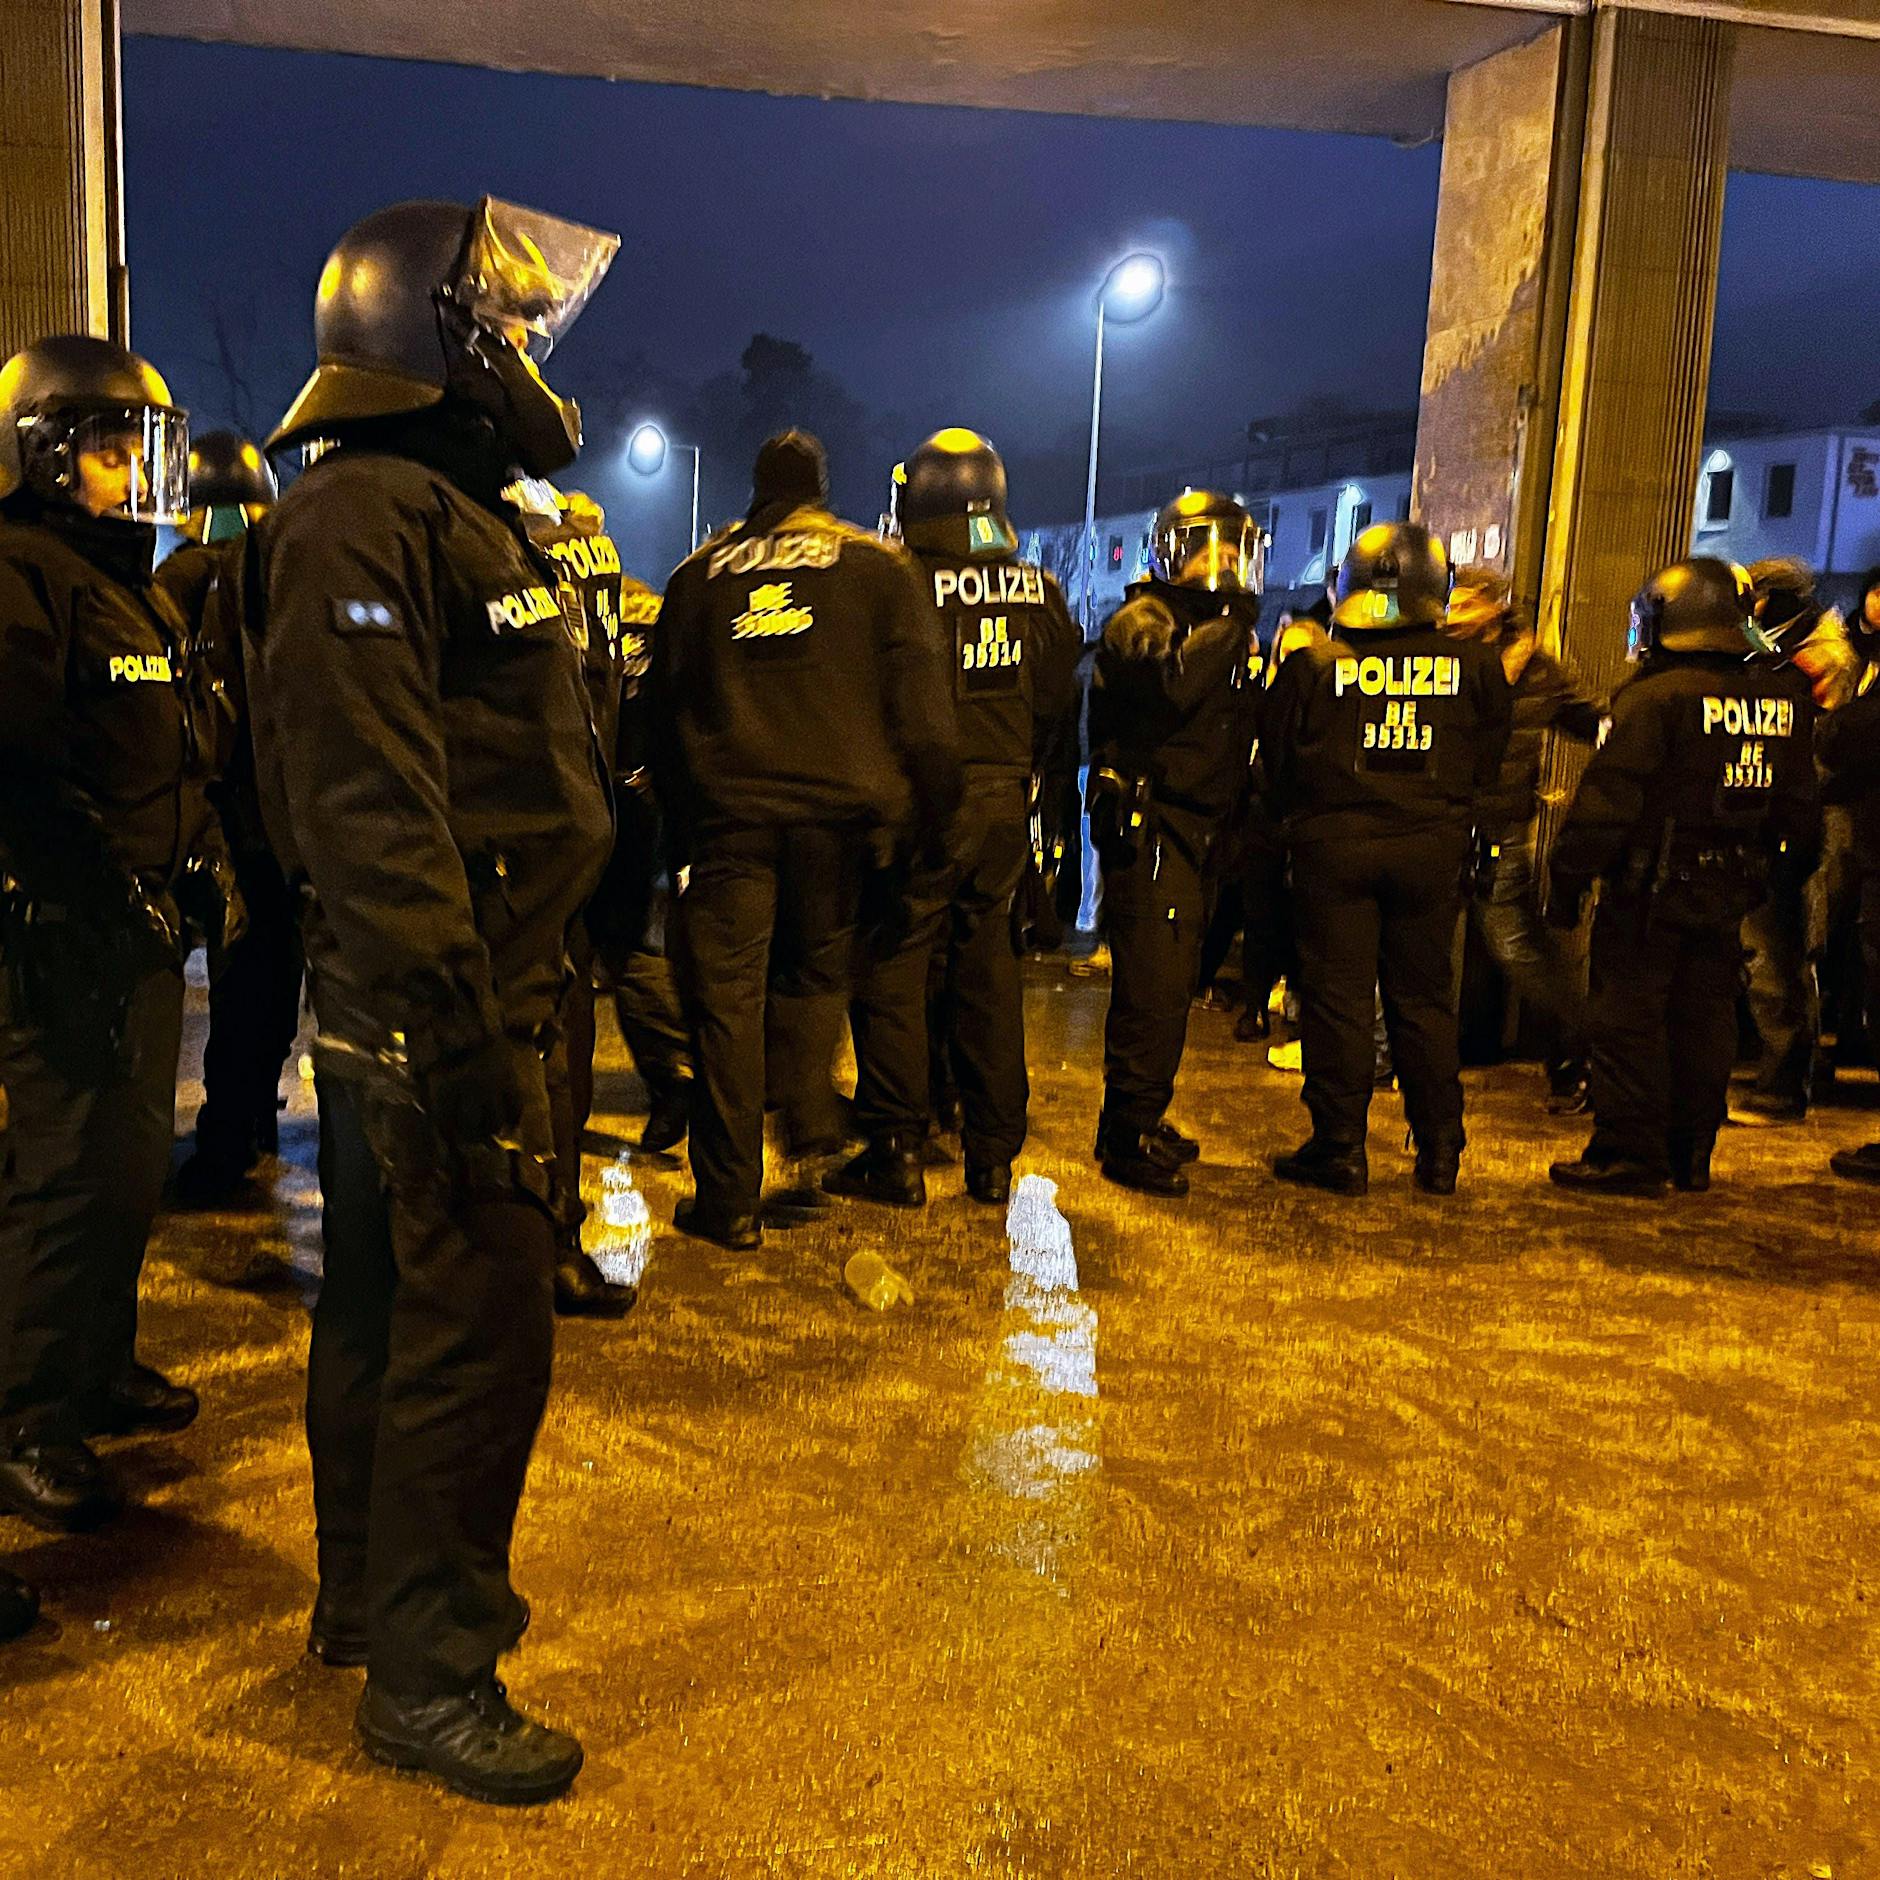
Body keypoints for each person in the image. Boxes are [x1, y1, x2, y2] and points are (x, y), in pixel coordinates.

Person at [244, 196, 619, 1803]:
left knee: (395, 1314)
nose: (533, 356)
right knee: (471, 1342)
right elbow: (370, 805)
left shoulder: (454, 510)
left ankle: (367, 1604)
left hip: (477, 990)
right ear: (439, 344)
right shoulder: (359, 521)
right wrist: (453, 1027)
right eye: (512, 331)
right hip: (448, 1010)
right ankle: (433, 1677)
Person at [0, 336, 226, 1575]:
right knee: (62, 1172)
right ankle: (26, 1411)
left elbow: (166, 745)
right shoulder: (21, 574)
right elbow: (23, 775)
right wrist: (94, 894)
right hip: (63, 932)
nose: (131, 472)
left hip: (140, 927)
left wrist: (202, 864)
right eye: (105, 448)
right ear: (41, 454)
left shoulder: (125, 581)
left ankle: (96, 1363)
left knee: (131, 1162)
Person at [650, 431, 959, 1249]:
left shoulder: (697, 577)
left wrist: (680, 832)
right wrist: (927, 823)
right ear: (821, 488)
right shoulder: (878, 569)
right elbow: (924, 717)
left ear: (756, 489)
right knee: (814, 976)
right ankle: (807, 1109)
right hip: (839, 826)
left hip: (730, 823)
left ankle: (730, 1199)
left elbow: (661, 721)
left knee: (727, 1006)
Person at [827, 429, 1079, 1207]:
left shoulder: (895, 586)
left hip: (922, 806)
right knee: (989, 970)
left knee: (895, 970)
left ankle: (897, 1145)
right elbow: (1058, 709)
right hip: (1007, 804)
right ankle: (993, 1153)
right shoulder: (1040, 589)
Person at [1548, 558, 1819, 1196]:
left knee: (1628, 1022)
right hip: (1729, 889)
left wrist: (1568, 878)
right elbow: (1800, 805)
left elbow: (1608, 801)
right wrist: (1778, 877)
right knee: (1705, 1021)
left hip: (1648, 893)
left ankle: (1629, 1154)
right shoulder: (1782, 696)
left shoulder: (1655, 698)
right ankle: (1691, 1153)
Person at [1262, 523, 1510, 1196]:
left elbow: (1277, 762)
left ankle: (1339, 1148)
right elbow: (1487, 760)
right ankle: (1439, 1148)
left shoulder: (1313, 665)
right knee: (1424, 1000)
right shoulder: (1478, 667)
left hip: (1333, 849)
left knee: (1338, 1002)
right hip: (1431, 847)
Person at [1087, 490, 1266, 1196]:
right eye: (1208, 549)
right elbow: (1169, 692)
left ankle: (1138, 1115)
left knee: (1173, 987)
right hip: (1153, 827)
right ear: (1176, 555)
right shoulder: (1146, 619)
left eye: (1233, 549)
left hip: (1199, 832)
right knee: (1153, 991)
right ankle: (1127, 1133)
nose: (1223, 564)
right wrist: (1231, 629)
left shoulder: (1216, 625)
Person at [156, 431, 306, 1206]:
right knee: (267, 985)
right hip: (276, 814)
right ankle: (245, 1121)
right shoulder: (275, 571)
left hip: (216, 815)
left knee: (238, 983)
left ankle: (224, 1144)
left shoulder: (180, 580)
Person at [1443, 566, 1605, 1111]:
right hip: (1439, 823)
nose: (1456, 615)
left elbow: (1589, 721)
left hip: (1502, 828)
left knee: (1516, 947)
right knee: (1419, 945)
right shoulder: (1440, 657)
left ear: (1495, 607)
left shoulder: (1536, 668)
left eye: (1468, 604)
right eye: (1452, 603)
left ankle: (1578, 1054)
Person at [1729, 557, 1857, 1126]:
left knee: (1778, 948)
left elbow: (1818, 752)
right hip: (1772, 812)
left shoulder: (1818, 659)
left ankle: (1784, 1083)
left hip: (1802, 817)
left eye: (1754, 600)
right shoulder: (1777, 652)